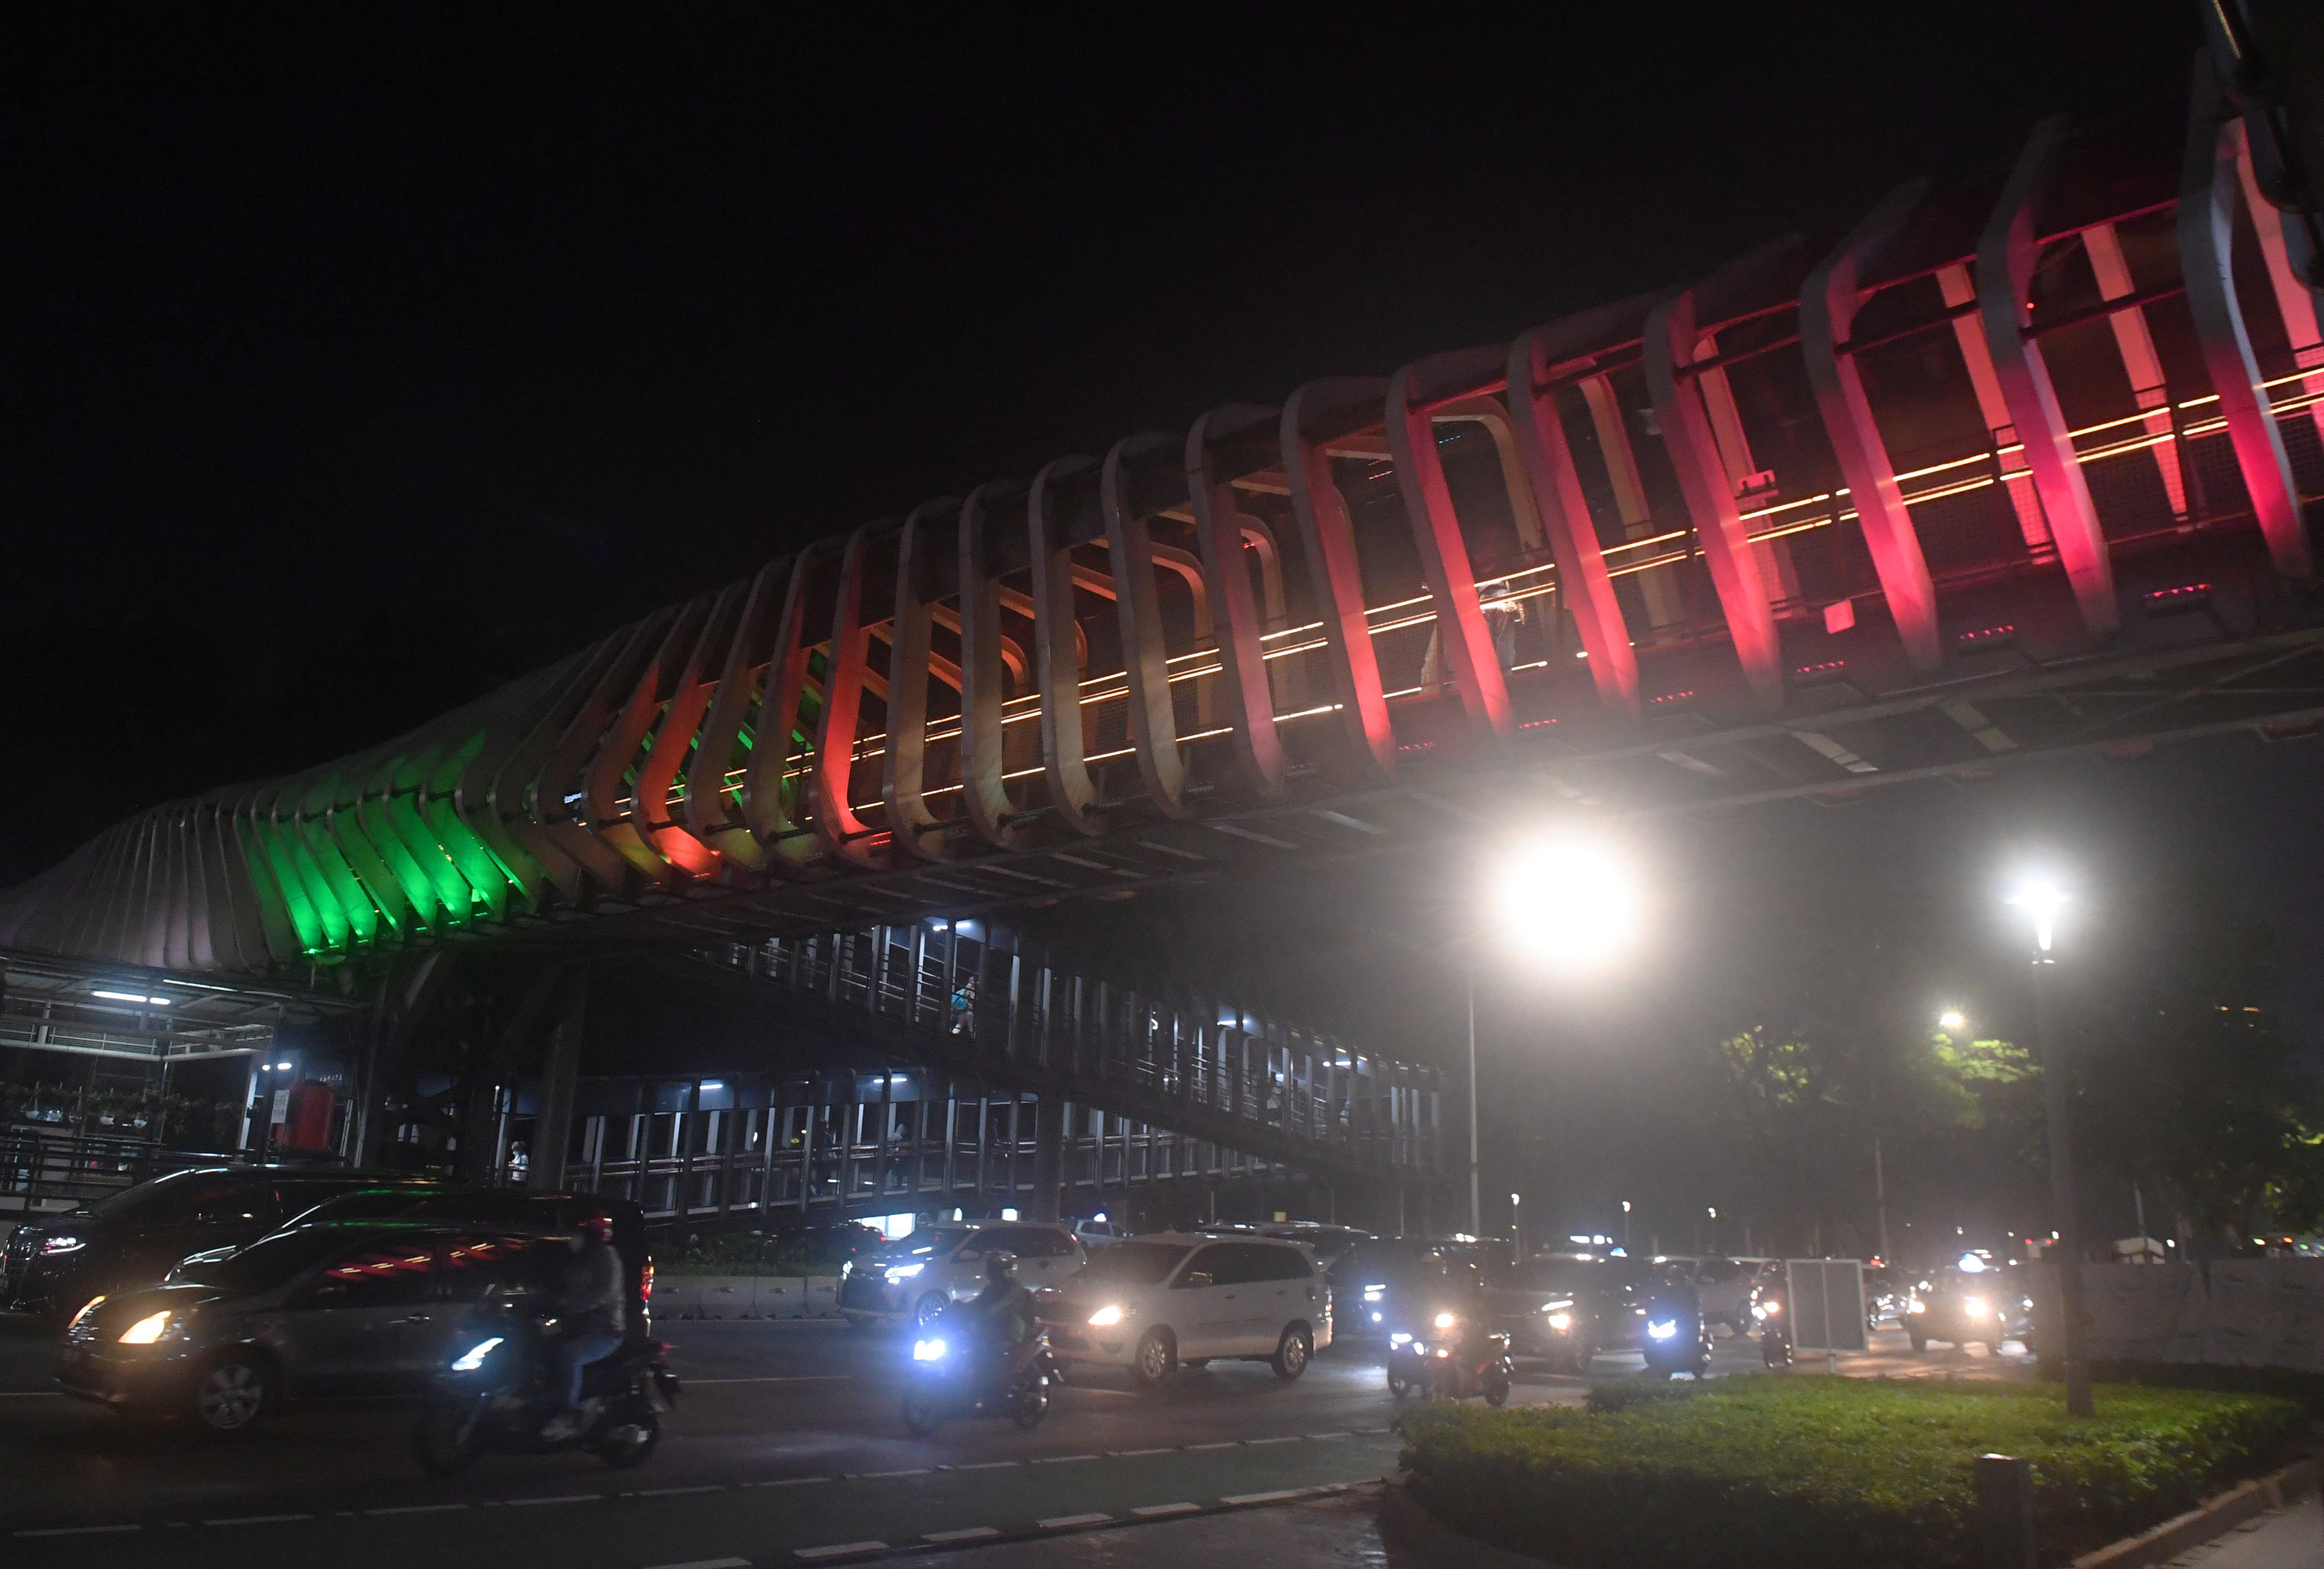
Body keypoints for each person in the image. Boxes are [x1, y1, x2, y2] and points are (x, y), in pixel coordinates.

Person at [541, 1215, 625, 1439]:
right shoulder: (578, 1259)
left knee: (569, 1356)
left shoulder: (607, 1258)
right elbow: (561, 1288)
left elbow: (604, 1294)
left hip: (604, 1331)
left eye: (579, 1233)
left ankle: (567, 1416)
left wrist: (573, 1307)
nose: (573, 1238)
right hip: (576, 1326)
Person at [961, 1250, 1036, 1388]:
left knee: (986, 1355)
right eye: (989, 1267)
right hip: (989, 1331)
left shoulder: (1014, 1290)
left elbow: (997, 1306)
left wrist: (982, 1313)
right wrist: (957, 1309)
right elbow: (978, 1303)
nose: (989, 1271)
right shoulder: (992, 1289)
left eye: (993, 1268)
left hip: (1008, 1334)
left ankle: (989, 1385)